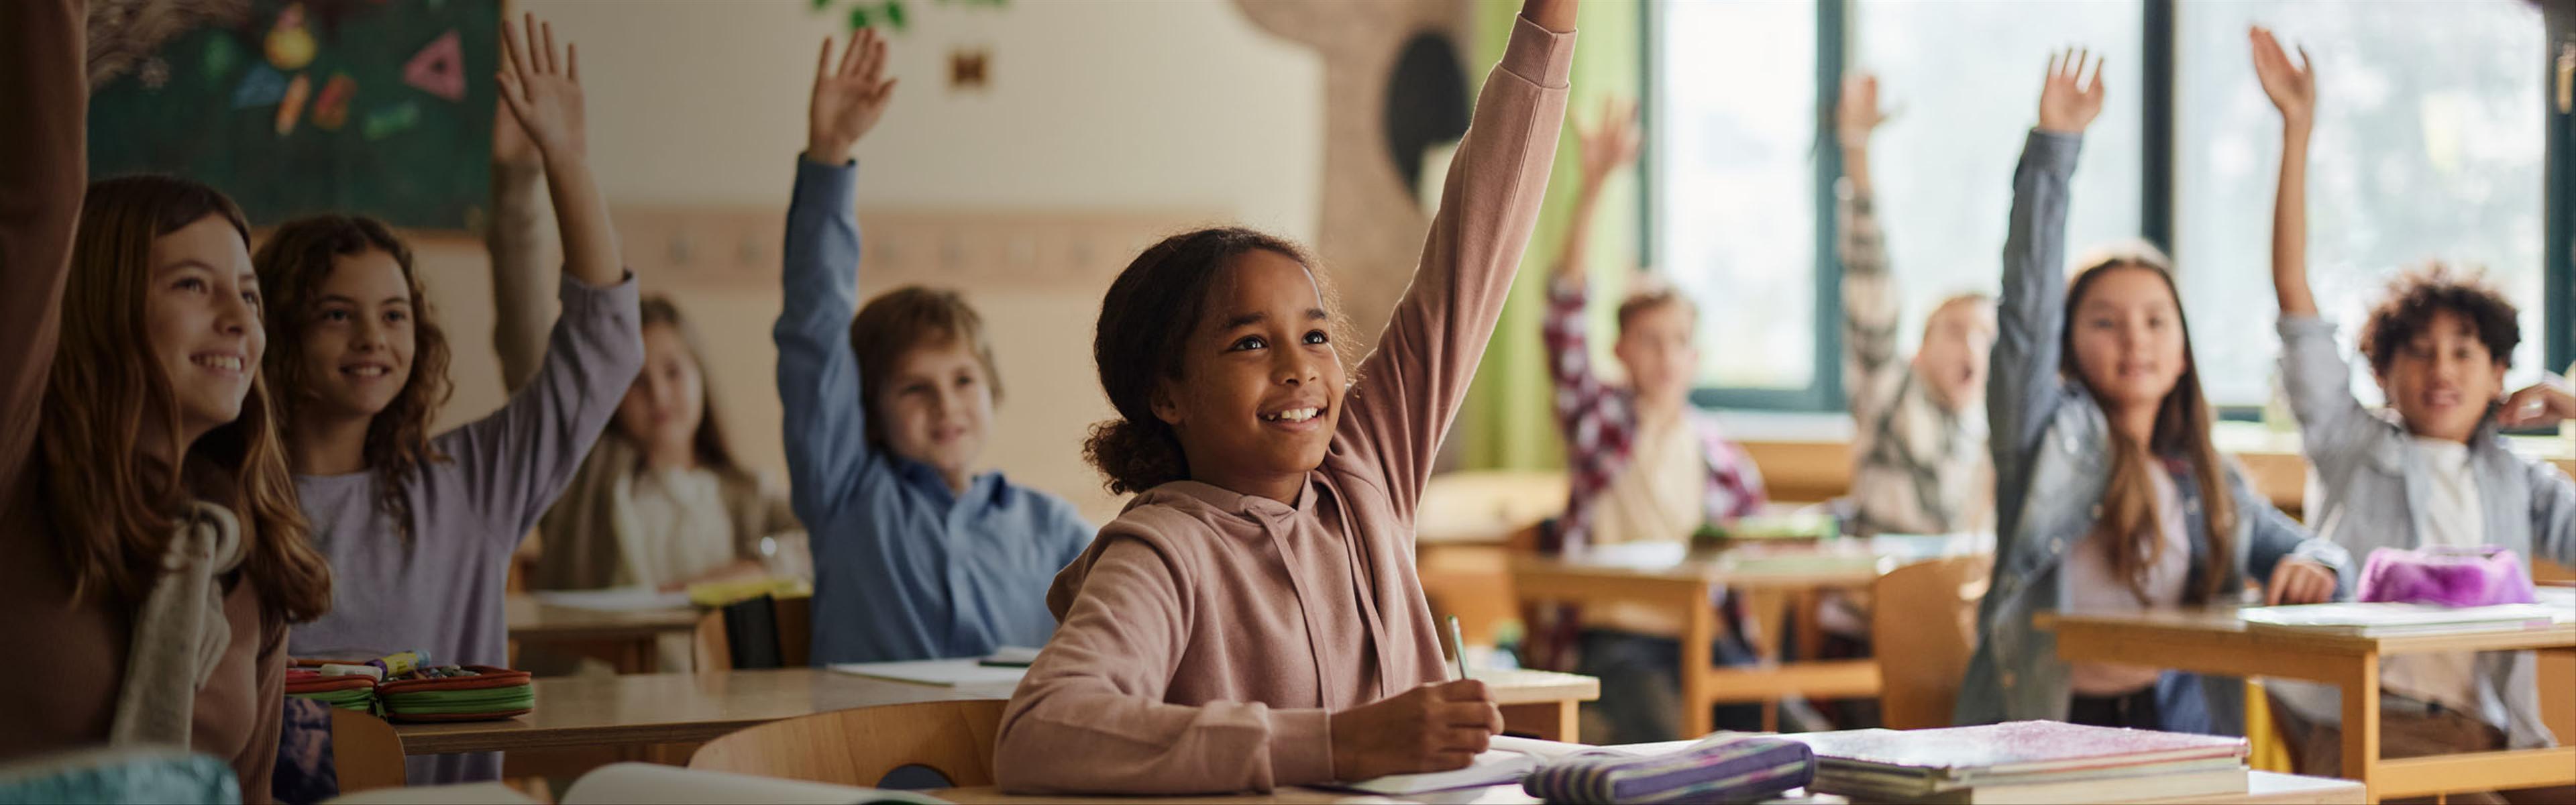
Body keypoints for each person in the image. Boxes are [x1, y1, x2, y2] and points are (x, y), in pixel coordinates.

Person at [989, 0, 1576, 792]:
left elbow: (1478, 241)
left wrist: (1550, 21)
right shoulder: (1163, 552)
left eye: (1317, 335)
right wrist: (1333, 746)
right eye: (1250, 344)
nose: (1300, 369)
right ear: (1167, 393)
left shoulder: (1363, 470)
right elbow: (1040, 733)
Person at [264, 15, 643, 783]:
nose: (373, 337)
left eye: (395, 314)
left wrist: (564, 160)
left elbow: (604, 348)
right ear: (279, 332)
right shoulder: (233, 500)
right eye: (337, 314)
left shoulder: (468, 483)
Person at [1956, 48, 2347, 735]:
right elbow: (2026, 309)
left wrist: (2315, 565)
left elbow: (2320, 553)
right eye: (2105, 322)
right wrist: (2056, 148)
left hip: (2174, 728)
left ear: (2182, 355)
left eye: (2155, 322)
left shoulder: (2208, 480)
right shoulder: (2045, 442)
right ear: (2069, 346)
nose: (2134, 340)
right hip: (2047, 726)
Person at [0, 7, 333, 801]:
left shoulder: (246, 548)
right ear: (101, 303)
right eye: (192, 284)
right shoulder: (18, 470)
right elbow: (40, 205)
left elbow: (245, 794)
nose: (238, 321)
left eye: (248, 296)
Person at [2249, 27, 2576, 800]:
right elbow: (2296, 300)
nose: (2441, 370)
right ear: (2381, 372)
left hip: (2493, 729)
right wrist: (2298, 130)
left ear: (2500, 374)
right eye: (2419, 352)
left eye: (2465, 352)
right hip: (2367, 726)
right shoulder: (2350, 442)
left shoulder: (2518, 483)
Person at [774, 29, 1095, 665]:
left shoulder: (1054, 529)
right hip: (865, 764)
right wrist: (830, 156)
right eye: (914, 388)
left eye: (963, 381)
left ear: (992, 389)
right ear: (867, 408)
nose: (945, 405)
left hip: (1012, 761)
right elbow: (813, 331)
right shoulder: (844, 496)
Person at [1526, 96, 1768, 743]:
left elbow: (1757, 557)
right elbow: (1562, 319)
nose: (1664, 356)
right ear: (1621, 351)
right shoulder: (1599, 424)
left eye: (1677, 341)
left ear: (1696, 356)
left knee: (1792, 734)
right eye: (1649, 340)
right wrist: (1594, 186)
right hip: (1618, 639)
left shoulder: (1723, 461)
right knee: (1672, 738)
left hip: (1705, 638)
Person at [1834, 72, 1998, 538]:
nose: (1970, 346)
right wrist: (1857, 148)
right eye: (1953, 330)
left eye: (1984, 335)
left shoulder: (1983, 434)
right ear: (1918, 352)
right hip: (1880, 598)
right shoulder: (1890, 392)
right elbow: (1871, 289)